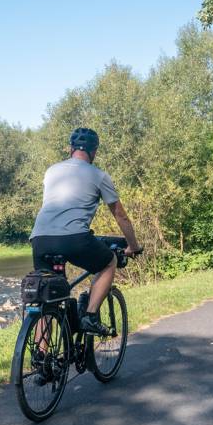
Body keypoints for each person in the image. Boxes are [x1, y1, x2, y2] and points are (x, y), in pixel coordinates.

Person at [30, 127, 141, 334]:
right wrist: (133, 246)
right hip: (74, 239)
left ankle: (41, 351)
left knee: (47, 297)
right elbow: (121, 216)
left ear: (70, 149)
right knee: (109, 262)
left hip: (39, 239)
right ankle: (90, 316)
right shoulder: (99, 175)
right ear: (94, 151)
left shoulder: (51, 171)